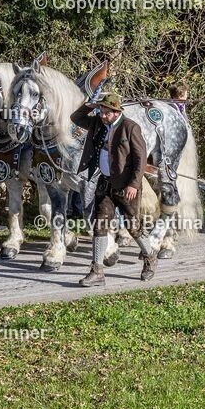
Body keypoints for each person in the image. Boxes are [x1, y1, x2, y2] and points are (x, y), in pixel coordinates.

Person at [71, 93, 152, 285]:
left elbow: (141, 160)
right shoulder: (98, 124)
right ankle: (97, 271)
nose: (102, 115)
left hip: (126, 186)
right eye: (101, 111)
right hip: (105, 182)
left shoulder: (130, 128)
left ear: (117, 112)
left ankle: (150, 257)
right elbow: (76, 118)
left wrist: (133, 184)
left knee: (133, 226)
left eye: (106, 113)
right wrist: (90, 106)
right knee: (100, 225)